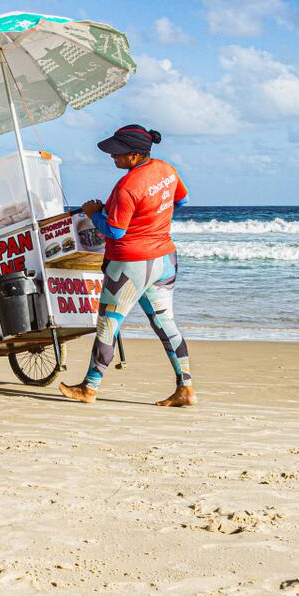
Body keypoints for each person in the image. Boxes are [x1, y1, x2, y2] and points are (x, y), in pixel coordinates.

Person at [59, 124, 195, 407]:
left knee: (108, 324)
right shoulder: (166, 170)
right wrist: (152, 219)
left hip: (130, 262)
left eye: (117, 154)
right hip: (164, 259)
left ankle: (89, 388)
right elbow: (181, 201)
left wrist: (94, 214)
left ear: (134, 156)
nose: (112, 158)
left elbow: (114, 231)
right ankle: (186, 388)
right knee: (164, 322)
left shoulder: (128, 186)